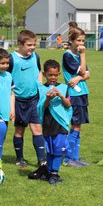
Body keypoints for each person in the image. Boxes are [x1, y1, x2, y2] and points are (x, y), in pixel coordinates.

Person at [7, 30, 47, 176]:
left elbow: (39, 73)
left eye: (34, 44)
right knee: (19, 130)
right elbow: (6, 79)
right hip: (18, 100)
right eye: (29, 45)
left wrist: (41, 90)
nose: (32, 48)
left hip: (34, 99)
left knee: (37, 129)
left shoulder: (35, 56)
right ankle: (19, 158)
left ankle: (41, 159)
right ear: (20, 44)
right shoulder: (11, 59)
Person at [36, 59, 73, 185]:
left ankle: (54, 173)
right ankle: (49, 172)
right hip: (47, 123)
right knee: (50, 150)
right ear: (44, 74)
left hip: (60, 124)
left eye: (55, 75)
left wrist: (61, 96)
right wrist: (47, 99)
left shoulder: (64, 87)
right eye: (50, 74)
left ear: (59, 74)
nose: (53, 77)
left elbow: (68, 105)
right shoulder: (41, 89)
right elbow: (42, 107)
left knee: (58, 149)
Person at [62, 27, 91, 167]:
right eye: (78, 40)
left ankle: (75, 156)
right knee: (75, 125)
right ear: (71, 41)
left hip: (82, 92)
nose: (81, 43)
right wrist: (83, 55)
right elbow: (84, 71)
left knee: (78, 125)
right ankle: (68, 158)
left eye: (83, 41)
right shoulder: (68, 56)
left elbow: (88, 74)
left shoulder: (79, 55)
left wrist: (79, 78)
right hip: (74, 94)